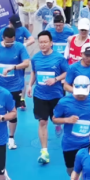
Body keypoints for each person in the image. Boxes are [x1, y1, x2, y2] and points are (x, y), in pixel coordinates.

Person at [27, 30, 70, 165]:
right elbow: (34, 72)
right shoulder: (35, 58)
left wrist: (55, 79)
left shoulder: (59, 58)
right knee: (42, 122)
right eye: (40, 42)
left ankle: (58, 125)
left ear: (51, 43)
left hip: (56, 95)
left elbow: (67, 72)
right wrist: (30, 85)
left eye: (45, 42)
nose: (43, 44)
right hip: (40, 95)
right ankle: (44, 152)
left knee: (56, 120)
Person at [0, 27, 31, 150]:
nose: (10, 44)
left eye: (12, 42)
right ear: (3, 38)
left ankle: (11, 137)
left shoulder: (20, 47)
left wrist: (14, 67)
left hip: (15, 86)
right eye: (7, 42)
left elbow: (26, 62)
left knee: (12, 112)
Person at [54, 76, 90, 180]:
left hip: (88, 142)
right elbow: (54, 119)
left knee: (88, 171)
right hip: (70, 144)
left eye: (83, 94)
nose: (81, 96)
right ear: (73, 87)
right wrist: (67, 120)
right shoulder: (63, 102)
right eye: (78, 93)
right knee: (71, 172)